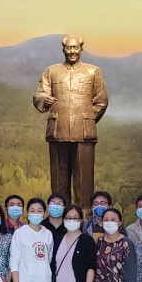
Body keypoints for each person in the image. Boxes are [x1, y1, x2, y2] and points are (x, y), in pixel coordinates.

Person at [33, 34, 109, 208]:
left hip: (84, 134)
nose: (72, 51)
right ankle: (59, 214)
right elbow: (39, 95)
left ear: (81, 49)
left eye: (75, 48)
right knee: (58, 180)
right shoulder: (51, 71)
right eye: (69, 48)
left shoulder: (93, 71)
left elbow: (101, 101)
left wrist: (86, 120)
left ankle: (86, 215)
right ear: (63, 49)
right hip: (57, 131)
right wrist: (44, 99)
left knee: (84, 180)